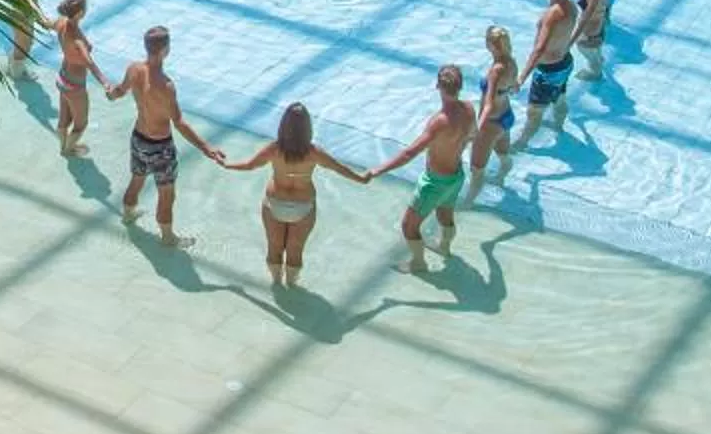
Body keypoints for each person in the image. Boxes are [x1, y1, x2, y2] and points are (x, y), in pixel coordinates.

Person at [216, 101, 366, 287]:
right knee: (295, 251)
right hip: (303, 207)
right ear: (307, 129)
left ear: (283, 126)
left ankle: (276, 282)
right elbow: (339, 169)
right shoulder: (314, 152)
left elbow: (249, 165)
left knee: (274, 247)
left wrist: (226, 164)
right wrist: (361, 178)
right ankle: (292, 285)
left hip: (274, 203)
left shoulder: (274, 149)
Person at [107, 26, 221, 245]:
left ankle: (128, 215)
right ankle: (168, 238)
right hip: (161, 147)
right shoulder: (166, 85)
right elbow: (178, 122)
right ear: (165, 50)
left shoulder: (133, 69)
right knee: (166, 195)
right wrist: (206, 148)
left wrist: (111, 94)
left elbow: (119, 91)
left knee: (137, 179)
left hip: (138, 138)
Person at [370, 65, 480, 271]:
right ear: (460, 86)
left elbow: (409, 153)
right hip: (456, 176)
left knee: (408, 225)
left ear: (438, 85)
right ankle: (444, 248)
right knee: (445, 215)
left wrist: (379, 170)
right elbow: (474, 135)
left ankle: (418, 262)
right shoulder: (469, 109)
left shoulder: (439, 122)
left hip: (435, 181)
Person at [525, 0, 581, 140]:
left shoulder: (552, 14)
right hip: (565, 62)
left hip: (548, 71)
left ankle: (522, 143)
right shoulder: (571, 5)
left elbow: (539, 48)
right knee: (560, 98)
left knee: (534, 111)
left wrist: (522, 76)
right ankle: (558, 126)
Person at [466, 23, 519, 201]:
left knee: (477, 169)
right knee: (503, 155)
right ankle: (501, 177)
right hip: (506, 116)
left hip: (491, 122)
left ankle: (468, 202)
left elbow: (488, 104)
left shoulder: (496, 70)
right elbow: (515, 88)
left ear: (491, 45)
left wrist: (475, 130)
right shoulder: (511, 62)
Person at [46, 0, 103, 153]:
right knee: (81, 124)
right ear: (80, 13)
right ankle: (68, 149)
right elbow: (89, 62)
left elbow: (47, 23)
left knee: (64, 119)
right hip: (75, 85)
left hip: (63, 78)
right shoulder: (77, 38)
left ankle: (63, 146)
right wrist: (105, 83)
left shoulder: (61, 23)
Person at [575, 0, 612, 80]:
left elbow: (586, 16)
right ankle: (598, 58)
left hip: (591, 29)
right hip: (598, 24)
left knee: (582, 47)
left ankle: (595, 72)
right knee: (595, 49)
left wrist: (572, 39)